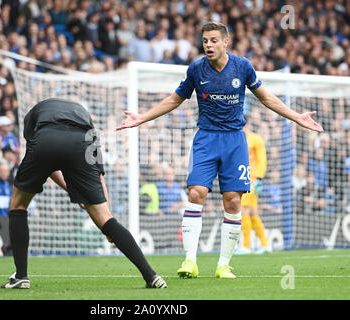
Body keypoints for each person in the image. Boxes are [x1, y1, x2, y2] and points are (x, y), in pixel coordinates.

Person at [116, 22, 324, 279]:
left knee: (233, 200)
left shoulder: (243, 67)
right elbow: (174, 99)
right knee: (196, 192)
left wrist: (296, 118)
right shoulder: (196, 69)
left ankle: (223, 264)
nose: (209, 45)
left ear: (226, 42)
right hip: (206, 138)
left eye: (214, 40)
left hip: (235, 140)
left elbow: (266, 98)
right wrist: (141, 118)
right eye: (205, 40)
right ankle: (189, 262)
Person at [1, 97, 167, 289]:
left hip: (47, 139)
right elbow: (100, 177)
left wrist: (70, 188)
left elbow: (45, 159)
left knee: (18, 204)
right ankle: (151, 276)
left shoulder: (35, 113)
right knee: (105, 218)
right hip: (82, 142)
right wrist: (106, 216)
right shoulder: (87, 120)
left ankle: (21, 276)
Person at [235, 118, 270, 254]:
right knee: (253, 213)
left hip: (253, 180)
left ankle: (245, 246)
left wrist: (259, 178)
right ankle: (265, 244)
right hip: (242, 179)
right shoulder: (238, 139)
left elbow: (262, 160)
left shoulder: (256, 139)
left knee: (243, 210)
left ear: (247, 124)